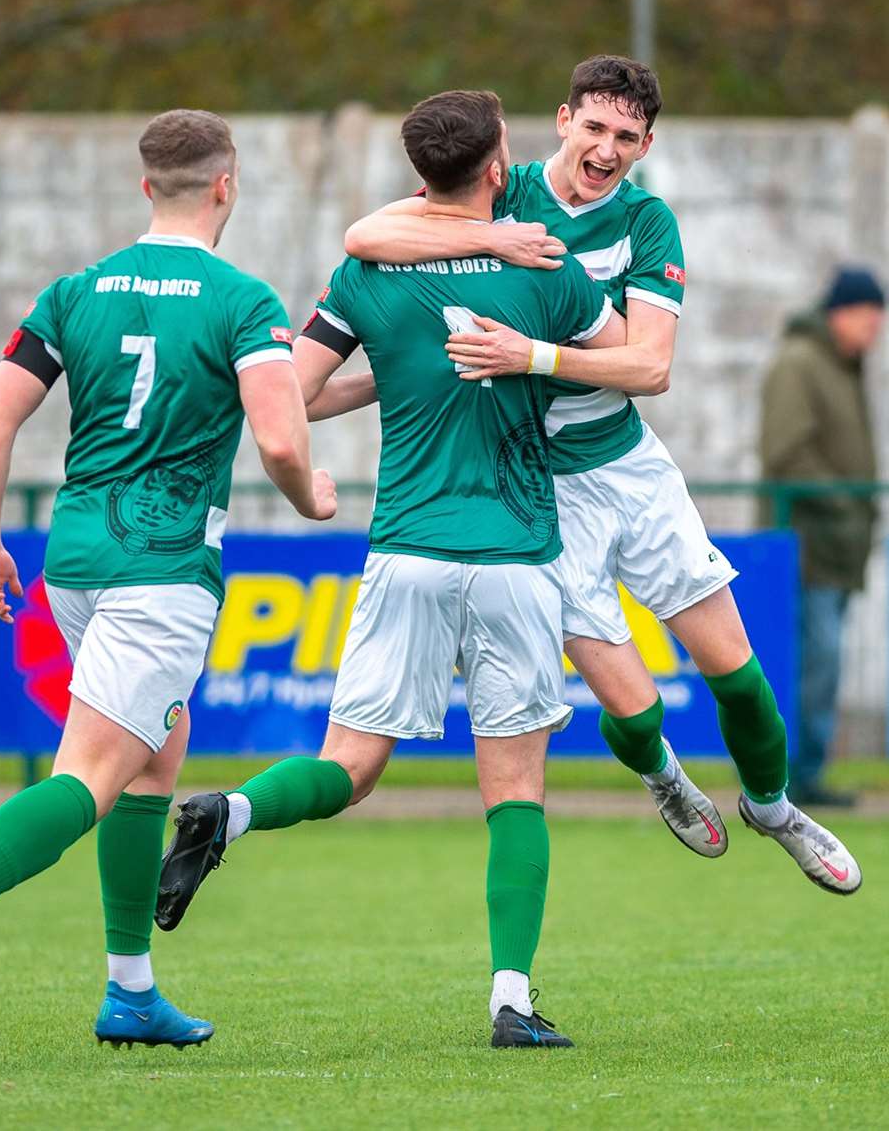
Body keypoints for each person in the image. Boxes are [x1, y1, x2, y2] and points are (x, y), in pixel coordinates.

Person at [158, 89, 628, 1049]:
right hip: (516, 551)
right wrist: (524, 357)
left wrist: (396, 366)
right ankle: (510, 999)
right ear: (498, 167)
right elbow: (625, 358)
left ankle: (231, 810)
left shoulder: (367, 272)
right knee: (516, 790)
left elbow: (289, 391)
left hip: (407, 544)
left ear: (422, 176)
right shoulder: (546, 262)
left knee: (351, 766)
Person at [340, 55, 862, 895]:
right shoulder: (501, 194)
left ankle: (774, 805)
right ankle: (662, 776)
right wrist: (490, 234)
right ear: (562, 121)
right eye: (595, 127)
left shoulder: (649, 222)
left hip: (627, 468)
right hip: (535, 489)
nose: (607, 147)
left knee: (736, 671)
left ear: (646, 143)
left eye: (626, 135)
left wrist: (531, 353)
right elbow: (364, 239)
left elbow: (650, 367)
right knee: (634, 704)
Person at [0, 109, 337, 1045]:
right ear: (226, 186)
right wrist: (310, 498)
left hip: (76, 560)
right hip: (163, 569)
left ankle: (130, 990)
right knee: (91, 773)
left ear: (145, 188)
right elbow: (283, 435)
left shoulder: (72, 292)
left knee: (158, 752)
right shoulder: (242, 298)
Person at [760, 266, 885, 807]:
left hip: (834, 548)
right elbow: (785, 454)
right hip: (806, 546)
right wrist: (849, 502)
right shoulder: (802, 362)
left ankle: (803, 775)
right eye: (869, 315)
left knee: (822, 662)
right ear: (841, 312)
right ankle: (790, 779)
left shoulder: (842, 365)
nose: (875, 328)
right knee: (811, 662)